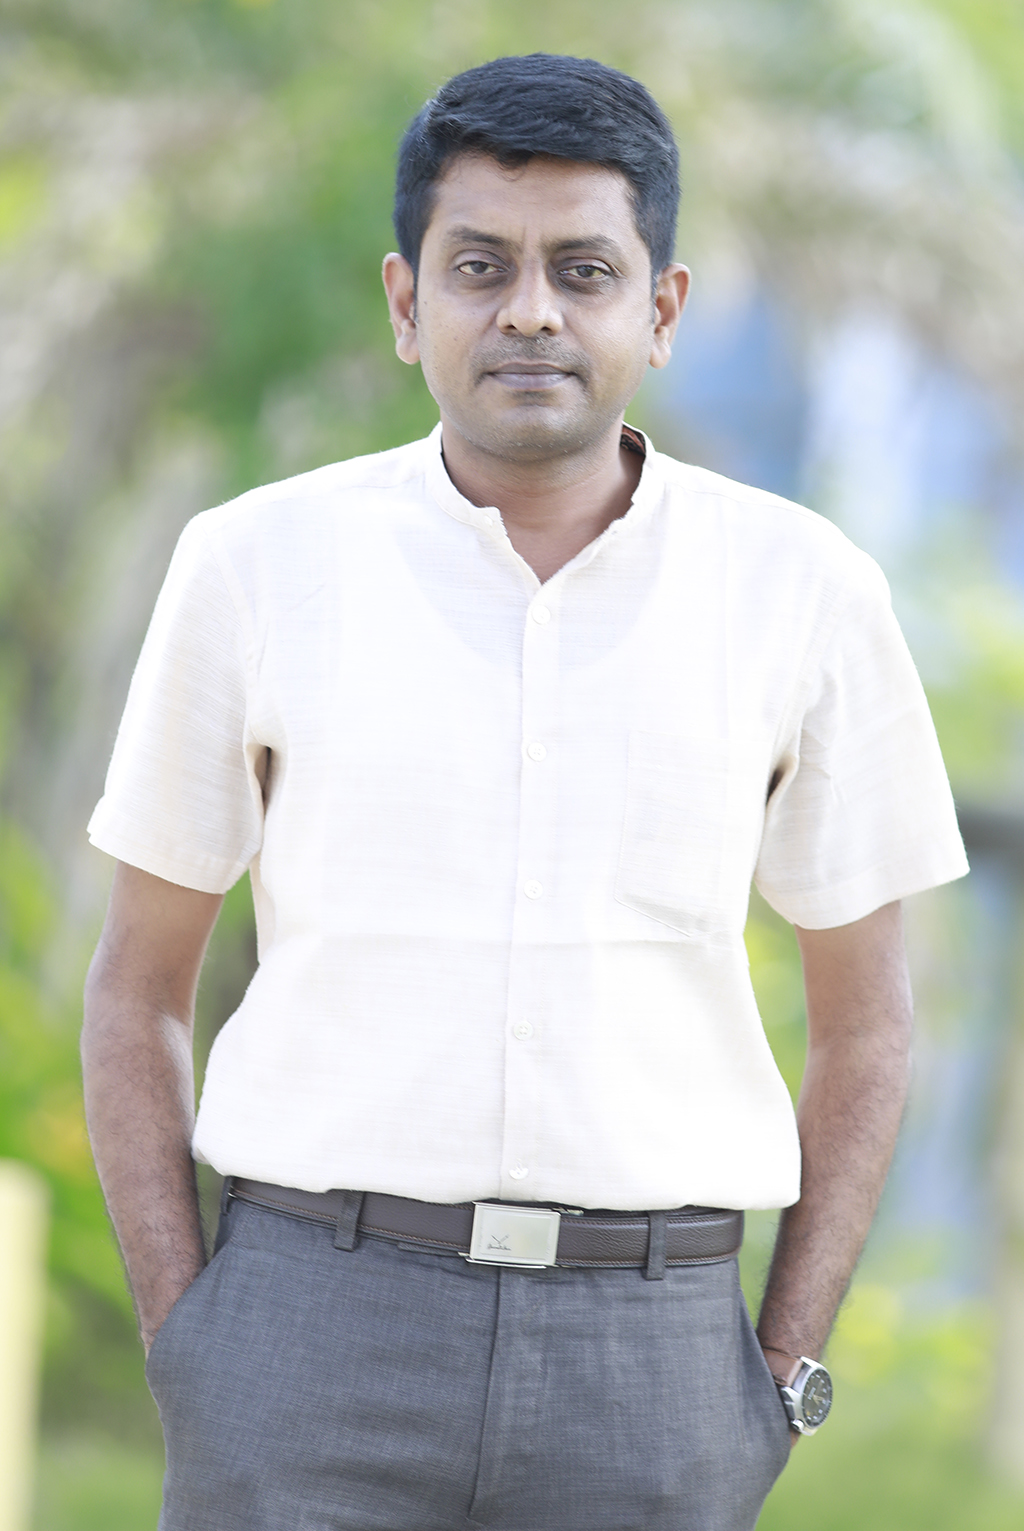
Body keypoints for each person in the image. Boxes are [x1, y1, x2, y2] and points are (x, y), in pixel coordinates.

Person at [82, 53, 968, 1531]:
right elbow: (136, 993)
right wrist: (193, 1341)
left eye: (584, 270)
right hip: (306, 1340)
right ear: (404, 301)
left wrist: (782, 1364)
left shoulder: (803, 591)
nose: (532, 312)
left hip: (654, 1363)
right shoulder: (254, 567)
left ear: (662, 310)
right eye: (480, 265)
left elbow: (868, 1024)